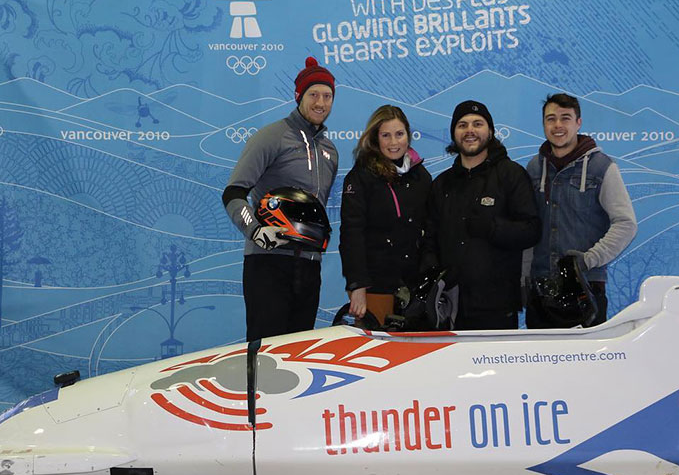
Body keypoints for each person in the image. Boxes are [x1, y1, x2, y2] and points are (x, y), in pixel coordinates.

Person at [222, 56, 338, 341]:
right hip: (269, 264)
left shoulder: (330, 151)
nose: (320, 102)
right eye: (313, 94)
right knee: (266, 354)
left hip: (310, 266)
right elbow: (234, 192)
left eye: (327, 96)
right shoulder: (271, 137)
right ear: (299, 96)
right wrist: (255, 231)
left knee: (298, 355)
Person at [421, 100, 541, 330]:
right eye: (462, 125)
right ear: (454, 134)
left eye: (478, 124)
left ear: (491, 131)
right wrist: (434, 277)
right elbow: (429, 238)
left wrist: (493, 228)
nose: (470, 131)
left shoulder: (511, 175)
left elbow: (532, 230)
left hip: (496, 306)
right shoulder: (442, 184)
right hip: (448, 307)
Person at [525, 93, 637, 328]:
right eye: (550, 119)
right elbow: (528, 227)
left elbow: (626, 223)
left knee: (586, 364)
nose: (558, 125)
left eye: (565, 118)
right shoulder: (535, 168)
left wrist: (588, 260)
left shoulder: (601, 166)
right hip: (541, 290)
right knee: (539, 363)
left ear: (578, 123)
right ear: (543, 124)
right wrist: (523, 279)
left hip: (586, 288)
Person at [339, 105, 432, 325]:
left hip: (415, 287)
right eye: (386, 135)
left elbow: (432, 229)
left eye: (399, 134)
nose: (393, 143)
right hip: (376, 285)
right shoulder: (361, 177)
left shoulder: (421, 176)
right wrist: (357, 286)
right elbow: (352, 234)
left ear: (408, 136)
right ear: (375, 138)